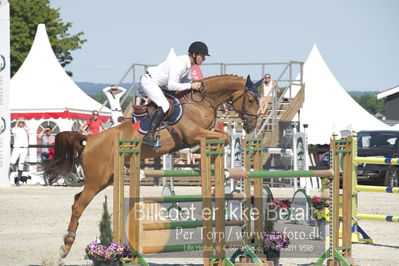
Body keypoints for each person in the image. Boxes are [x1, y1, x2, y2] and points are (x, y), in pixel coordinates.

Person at [140, 41, 209, 146]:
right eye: (202, 56)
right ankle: (149, 135)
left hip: (160, 84)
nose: (204, 59)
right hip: (150, 82)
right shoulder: (180, 63)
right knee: (165, 105)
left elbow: (186, 82)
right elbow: (172, 85)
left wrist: (196, 85)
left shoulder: (188, 66)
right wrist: (191, 86)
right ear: (194, 54)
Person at [10, 117, 30, 186]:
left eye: (22, 122)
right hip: (16, 148)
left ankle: (18, 181)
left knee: (21, 164)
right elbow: (13, 131)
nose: (21, 123)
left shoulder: (26, 129)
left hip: (24, 149)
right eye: (20, 122)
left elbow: (31, 132)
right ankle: (8, 178)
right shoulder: (15, 129)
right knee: (12, 162)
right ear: (18, 123)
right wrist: (17, 122)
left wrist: (25, 124)